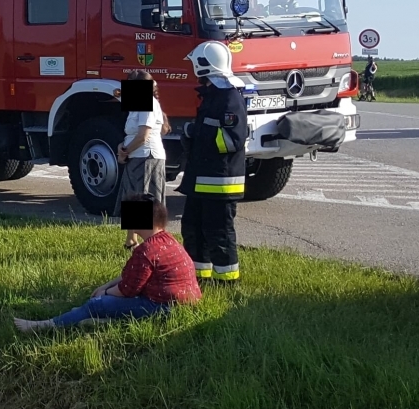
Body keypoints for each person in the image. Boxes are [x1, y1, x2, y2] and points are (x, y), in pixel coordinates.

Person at [14, 197, 199, 331]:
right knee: (104, 302)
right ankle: (103, 319)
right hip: (185, 303)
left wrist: (104, 293)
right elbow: (134, 275)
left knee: (96, 304)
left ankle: (44, 326)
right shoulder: (168, 240)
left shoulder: (146, 251)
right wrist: (106, 284)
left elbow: (128, 289)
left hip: (163, 308)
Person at [179, 41, 251, 282]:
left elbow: (233, 140)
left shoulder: (229, 97)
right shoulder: (212, 96)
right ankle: (199, 277)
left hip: (220, 181)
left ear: (203, 65)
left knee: (218, 233)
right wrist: (192, 132)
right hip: (202, 179)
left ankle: (227, 281)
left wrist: (200, 132)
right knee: (193, 229)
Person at [118, 70, 166, 209]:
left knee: (142, 205)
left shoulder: (147, 103)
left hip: (146, 158)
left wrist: (124, 152)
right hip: (137, 157)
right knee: (133, 203)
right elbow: (132, 134)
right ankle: (133, 232)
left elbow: (143, 136)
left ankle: (147, 231)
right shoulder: (137, 105)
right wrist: (121, 146)